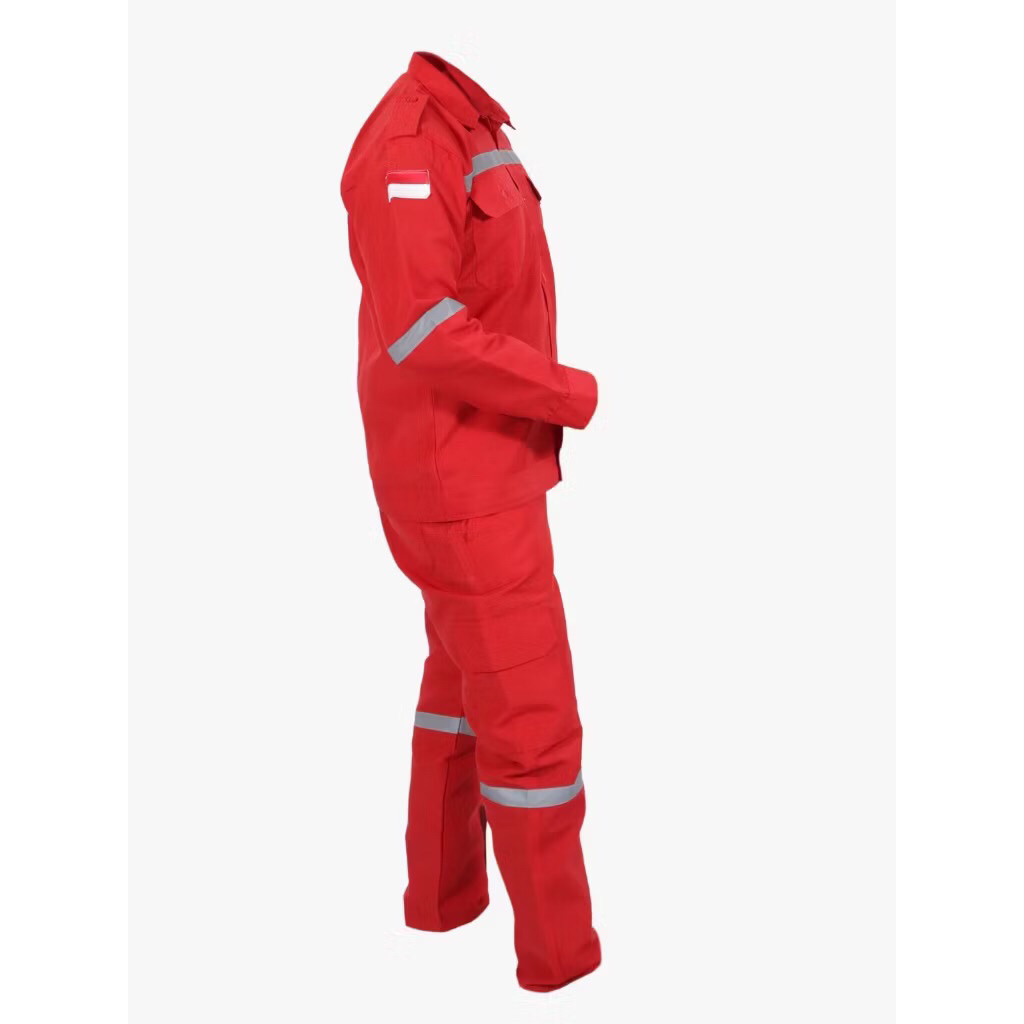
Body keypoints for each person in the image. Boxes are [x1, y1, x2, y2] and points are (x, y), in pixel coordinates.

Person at [340, 51, 601, 991]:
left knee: (460, 683)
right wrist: (567, 393)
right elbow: (425, 330)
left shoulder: (471, 122)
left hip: (483, 469)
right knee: (534, 722)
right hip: (464, 486)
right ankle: (561, 965)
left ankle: (443, 901)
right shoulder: (409, 141)